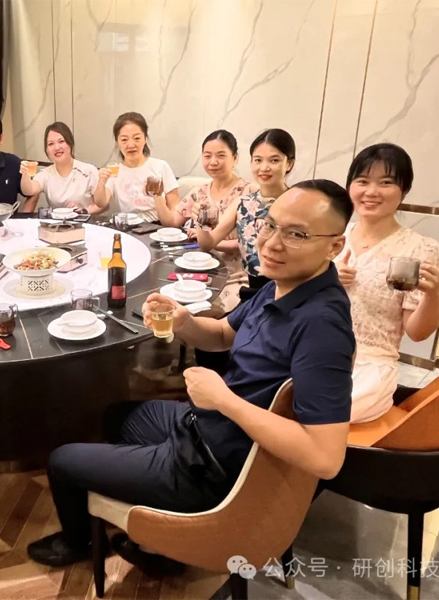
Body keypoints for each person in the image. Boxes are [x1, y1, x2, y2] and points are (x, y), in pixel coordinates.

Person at [27, 180, 355, 572]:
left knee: (62, 460)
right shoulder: (283, 285)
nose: (271, 243)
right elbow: (222, 335)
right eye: (270, 225)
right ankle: (158, 543)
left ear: (334, 246)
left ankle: (79, 541)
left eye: (296, 234)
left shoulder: (322, 326)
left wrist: (223, 400)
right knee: (117, 416)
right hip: (204, 426)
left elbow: (325, 457)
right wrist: (184, 321)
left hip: (213, 467)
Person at [336, 144, 439, 423]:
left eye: (385, 183)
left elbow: (417, 333)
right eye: (362, 181)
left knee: (323, 411)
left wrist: (433, 296)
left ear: (403, 190)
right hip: (312, 349)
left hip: (369, 367)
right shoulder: (333, 235)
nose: (371, 192)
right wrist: (325, 280)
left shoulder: (419, 249)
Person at [196, 128, 296, 301]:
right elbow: (207, 243)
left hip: (289, 291)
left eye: (274, 160)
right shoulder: (243, 203)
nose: (264, 167)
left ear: (289, 164)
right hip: (253, 290)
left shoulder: (298, 203)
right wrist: (201, 221)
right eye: (258, 160)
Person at [169, 129, 258, 311]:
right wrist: (156, 195)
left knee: (206, 310)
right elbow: (172, 222)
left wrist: (209, 240)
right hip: (198, 266)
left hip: (233, 272)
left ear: (235, 158)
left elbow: (250, 243)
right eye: (207, 156)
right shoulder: (199, 191)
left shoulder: (249, 193)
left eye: (221, 155)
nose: (213, 162)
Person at [96, 112, 179, 223]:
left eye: (137, 138)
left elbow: (174, 215)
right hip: (128, 227)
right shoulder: (115, 171)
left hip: (158, 226)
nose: (131, 145)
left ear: (145, 139)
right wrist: (101, 182)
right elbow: (101, 202)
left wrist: (157, 195)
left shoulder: (160, 166)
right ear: (117, 142)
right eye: (124, 140)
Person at [20, 122, 107, 213]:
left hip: (85, 221)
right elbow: (29, 190)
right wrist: (25, 174)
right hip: (56, 222)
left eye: (61, 141)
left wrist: (84, 211)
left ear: (70, 144)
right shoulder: (46, 174)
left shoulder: (88, 170)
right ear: (47, 150)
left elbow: (102, 204)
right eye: (51, 144)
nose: (57, 147)